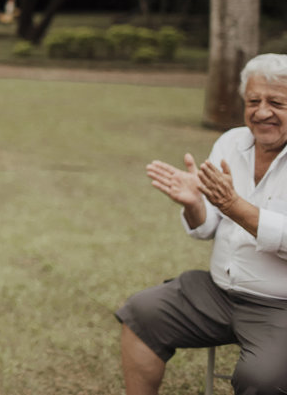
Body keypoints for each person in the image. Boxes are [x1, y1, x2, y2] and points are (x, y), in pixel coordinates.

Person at [116, 53, 287, 395]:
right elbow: (208, 226)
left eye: (276, 102)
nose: (262, 111)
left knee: (263, 380)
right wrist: (195, 204)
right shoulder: (231, 141)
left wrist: (234, 205)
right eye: (253, 101)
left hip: (280, 306)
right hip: (218, 291)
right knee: (142, 314)